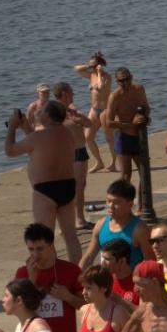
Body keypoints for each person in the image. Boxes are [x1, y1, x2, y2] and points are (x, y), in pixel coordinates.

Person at [6, 102, 81, 262]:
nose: (37, 113)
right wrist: (25, 126)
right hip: (67, 185)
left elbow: (10, 151)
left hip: (44, 190)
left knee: (45, 239)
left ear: (47, 115)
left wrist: (12, 127)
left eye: (40, 111)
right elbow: (40, 142)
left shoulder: (38, 137)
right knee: (70, 235)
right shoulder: (68, 133)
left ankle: (51, 275)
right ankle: (77, 273)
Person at [16, 223, 84, 332]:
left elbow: (87, 306)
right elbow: (18, 308)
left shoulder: (71, 270)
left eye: (40, 249)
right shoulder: (23, 273)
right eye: (31, 249)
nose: (35, 254)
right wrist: (31, 281)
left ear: (51, 245)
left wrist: (69, 297)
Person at [80, 179, 152, 270]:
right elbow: (88, 258)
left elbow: (151, 264)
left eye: (116, 202)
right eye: (108, 201)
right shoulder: (100, 225)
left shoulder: (140, 230)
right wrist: (77, 277)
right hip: (108, 282)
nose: (110, 206)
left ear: (130, 203)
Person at [51, 81, 95, 230]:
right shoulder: (55, 112)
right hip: (69, 153)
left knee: (81, 186)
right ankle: (72, 219)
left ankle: (80, 218)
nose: (73, 95)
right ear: (64, 93)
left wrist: (78, 117)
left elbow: (89, 124)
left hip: (81, 150)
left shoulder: (72, 110)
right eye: (71, 92)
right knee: (74, 187)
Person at [103, 67, 150, 188]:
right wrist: (131, 125)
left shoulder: (139, 89)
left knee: (144, 173)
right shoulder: (115, 96)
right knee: (126, 175)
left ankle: (141, 206)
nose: (125, 82)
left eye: (127, 79)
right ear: (117, 82)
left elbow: (146, 107)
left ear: (131, 77)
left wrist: (145, 117)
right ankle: (123, 204)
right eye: (121, 80)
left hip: (139, 137)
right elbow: (109, 122)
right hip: (124, 138)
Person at [73, 51, 112, 172]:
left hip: (105, 109)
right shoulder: (91, 75)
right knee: (88, 136)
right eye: (92, 66)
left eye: (94, 65)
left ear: (100, 65)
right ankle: (99, 162)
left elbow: (100, 87)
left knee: (109, 138)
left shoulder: (106, 76)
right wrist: (89, 66)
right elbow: (76, 69)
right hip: (94, 109)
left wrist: (99, 72)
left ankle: (114, 163)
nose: (93, 68)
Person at [101, 239, 141, 309]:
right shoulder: (104, 281)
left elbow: (146, 315)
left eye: (107, 259)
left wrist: (121, 301)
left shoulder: (141, 283)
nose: (102, 263)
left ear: (122, 261)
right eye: (103, 258)